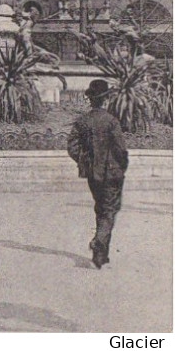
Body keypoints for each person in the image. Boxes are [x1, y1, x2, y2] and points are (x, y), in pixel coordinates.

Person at [67, 78, 129, 268]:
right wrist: (122, 165)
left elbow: (72, 146)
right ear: (106, 99)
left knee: (101, 207)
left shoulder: (82, 121)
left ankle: (100, 256)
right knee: (109, 210)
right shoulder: (111, 121)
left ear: (91, 100)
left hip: (93, 174)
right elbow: (120, 149)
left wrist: (85, 161)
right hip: (112, 173)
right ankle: (99, 242)